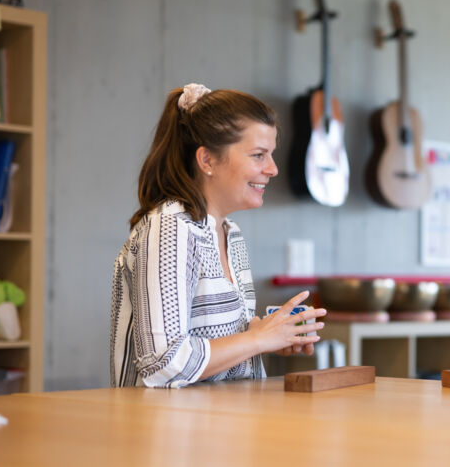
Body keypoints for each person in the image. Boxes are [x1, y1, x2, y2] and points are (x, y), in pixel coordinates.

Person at [110, 83, 326, 388]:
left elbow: (220, 342)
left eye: (271, 155)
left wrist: (272, 335)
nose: (273, 169)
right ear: (207, 160)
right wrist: (258, 339)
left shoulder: (230, 233)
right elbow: (163, 362)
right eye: (258, 155)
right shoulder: (169, 228)